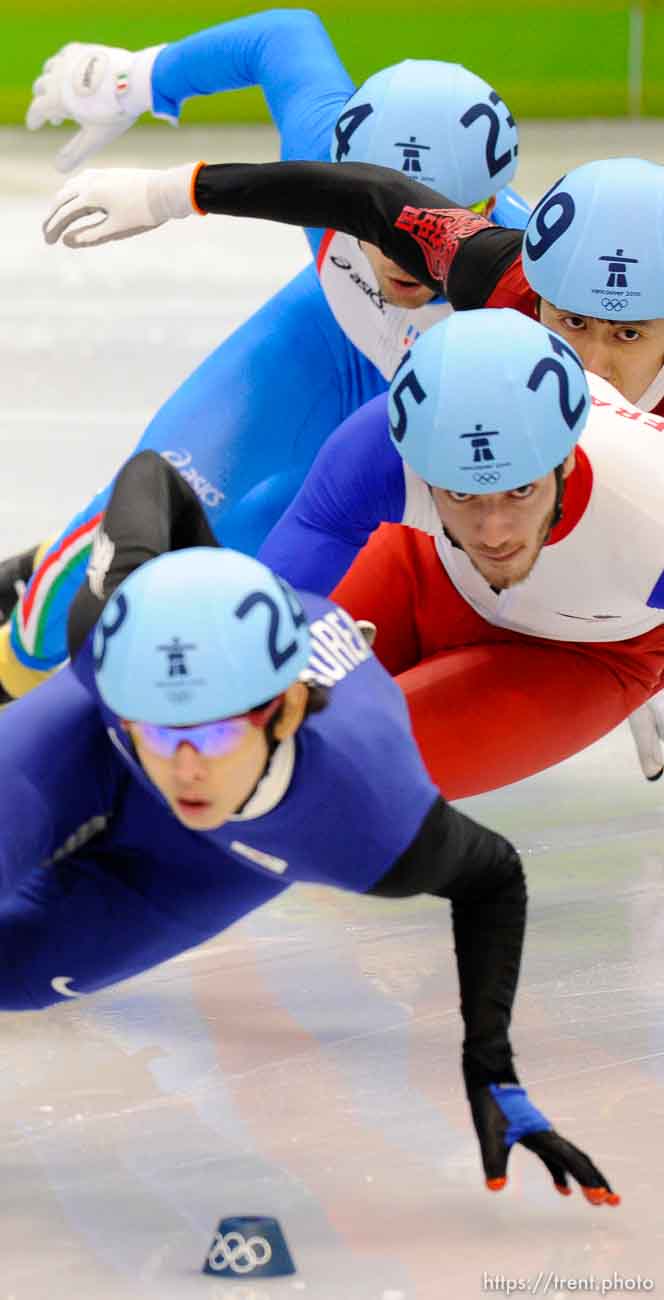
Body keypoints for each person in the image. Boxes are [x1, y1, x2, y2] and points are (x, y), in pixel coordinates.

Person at [0, 445, 619, 1205]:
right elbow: (152, 476)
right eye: (160, 733)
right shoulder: (113, 641)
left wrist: (491, 1068)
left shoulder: (369, 815)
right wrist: (193, 577)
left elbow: (494, 877)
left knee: (14, 979)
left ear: (287, 711)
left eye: (216, 735)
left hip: (208, 864)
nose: (185, 770)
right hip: (85, 741)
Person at [37, 148, 664, 780]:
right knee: (223, 713)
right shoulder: (500, 278)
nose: (590, 368)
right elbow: (369, 197)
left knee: (329, 778)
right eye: (571, 322)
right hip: (432, 560)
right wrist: (170, 191)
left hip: (588, 648)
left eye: (629, 335)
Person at [0, 14, 529, 700]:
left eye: (439, 224)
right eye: (385, 223)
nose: (405, 255)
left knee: (249, 578)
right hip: (320, 339)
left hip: (438, 396)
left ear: (488, 210)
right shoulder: (326, 150)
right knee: (156, 509)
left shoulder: (534, 291)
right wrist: (134, 79)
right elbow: (284, 36)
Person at [254, 308, 664, 797]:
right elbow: (252, 630)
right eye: (463, 493)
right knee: (238, 729)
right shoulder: (377, 452)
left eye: (519, 492)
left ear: (567, 460)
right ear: (420, 469)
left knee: (329, 779)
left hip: (587, 657)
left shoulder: (649, 506)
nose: (493, 534)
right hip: (423, 570)